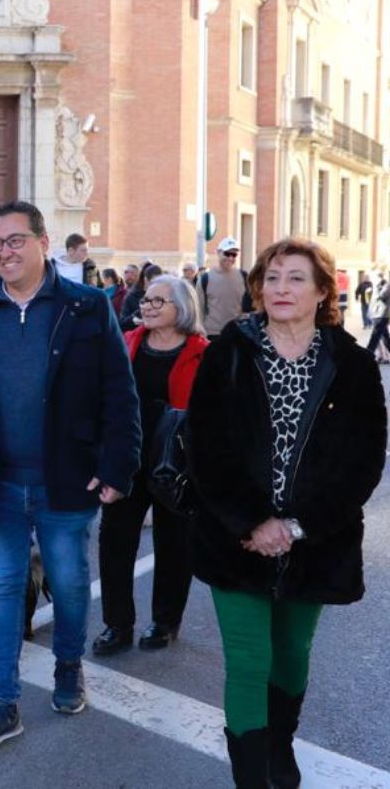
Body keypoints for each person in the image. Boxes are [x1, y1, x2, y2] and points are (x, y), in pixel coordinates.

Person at [0, 200, 140, 754]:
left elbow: (120, 396)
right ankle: (2, 703)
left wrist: (118, 466)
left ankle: (68, 666)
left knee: (70, 584)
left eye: (15, 240)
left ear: (44, 242)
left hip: (66, 481)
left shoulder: (88, 308)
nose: (4, 252)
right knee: (0, 587)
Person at [186, 238, 385, 788]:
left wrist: (300, 526)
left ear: (323, 291)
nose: (280, 288)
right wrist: (253, 521)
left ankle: (280, 744)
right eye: (271, 277)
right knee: (249, 661)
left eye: (296, 278)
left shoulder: (352, 363)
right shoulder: (229, 351)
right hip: (236, 537)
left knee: (292, 655)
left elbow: (363, 460)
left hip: (316, 542)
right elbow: (205, 443)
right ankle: (252, 777)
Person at [93, 275, 207, 656]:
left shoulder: (204, 353)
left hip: (176, 467)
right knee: (114, 543)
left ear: (183, 308)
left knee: (174, 545)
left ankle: (165, 620)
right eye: (146, 300)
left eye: (159, 302)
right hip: (128, 461)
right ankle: (117, 624)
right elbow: (103, 403)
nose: (148, 306)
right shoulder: (127, 344)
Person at [197, 237, 250, 339]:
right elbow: (199, 309)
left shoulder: (244, 276)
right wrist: (201, 331)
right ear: (218, 252)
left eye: (234, 255)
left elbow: (249, 307)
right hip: (212, 334)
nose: (230, 258)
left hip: (237, 333)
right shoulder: (205, 278)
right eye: (227, 254)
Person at [119, 263, 161, 330]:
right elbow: (122, 324)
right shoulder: (132, 296)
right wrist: (135, 317)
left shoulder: (165, 296)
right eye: (151, 282)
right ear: (145, 280)